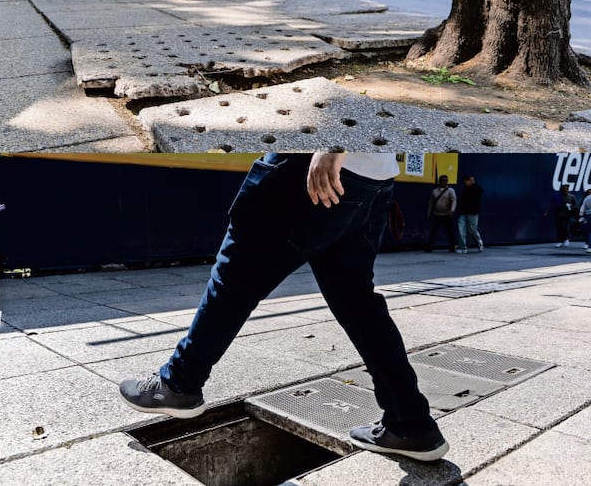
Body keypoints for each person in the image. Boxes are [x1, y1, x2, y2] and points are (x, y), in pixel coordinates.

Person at [119, 153, 449, 462]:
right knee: (359, 304)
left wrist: (332, 148)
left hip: (315, 168)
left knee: (236, 273)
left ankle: (178, 382)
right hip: (374, 180)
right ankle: (411, 424)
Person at [426, 175, 457, 253]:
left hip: (447, 214)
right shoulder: (435, 191)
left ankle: (452, 246)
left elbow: (454, 201)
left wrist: (452, 211)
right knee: (433, 231)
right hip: (437, 214)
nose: (444, 182)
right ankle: (429, 247)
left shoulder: (451, 191)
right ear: (439, 181)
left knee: (449, 231)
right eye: (443, 180)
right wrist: (429, 213)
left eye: (446, 180)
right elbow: (431, 203)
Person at [455, 175, 484, 254]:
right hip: (463, 212)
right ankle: (463, 248)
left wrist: (474, 183)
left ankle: (479, 242)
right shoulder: (464, 190)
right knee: (461, 229)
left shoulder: (476, 188)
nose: (465, 182)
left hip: (473, 212)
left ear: (470, 181)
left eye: (467, 181)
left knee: (472, 230)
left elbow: (481, 191)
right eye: (465, 181)